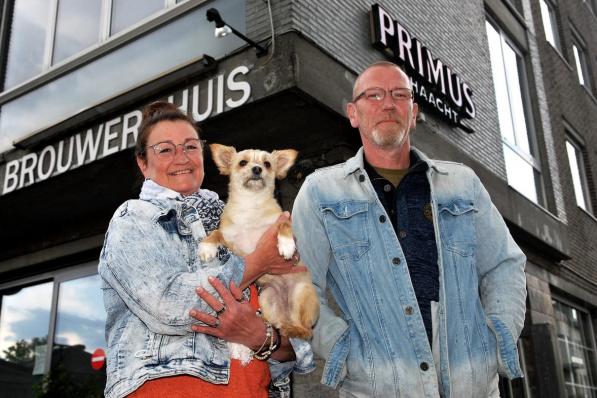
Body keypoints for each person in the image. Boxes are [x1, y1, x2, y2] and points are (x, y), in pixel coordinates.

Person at [292, 61, 527, 398]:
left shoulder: (463, 184)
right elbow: (299, 285)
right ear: (353, 113)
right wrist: (342, 350)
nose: (387, 103)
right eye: (373, 95)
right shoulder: (320, 192)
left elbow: (504, 265)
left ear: (413, 112)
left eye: (399, 94)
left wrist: (496, 337)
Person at [99, 101, 313, 398]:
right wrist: (257, 263)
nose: (182, 158)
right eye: (165, 149)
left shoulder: (234, 221)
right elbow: (168, 304)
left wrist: (265, 339)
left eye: (190, 146)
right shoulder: (133, 218)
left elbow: (296, 343)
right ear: (143, 163)